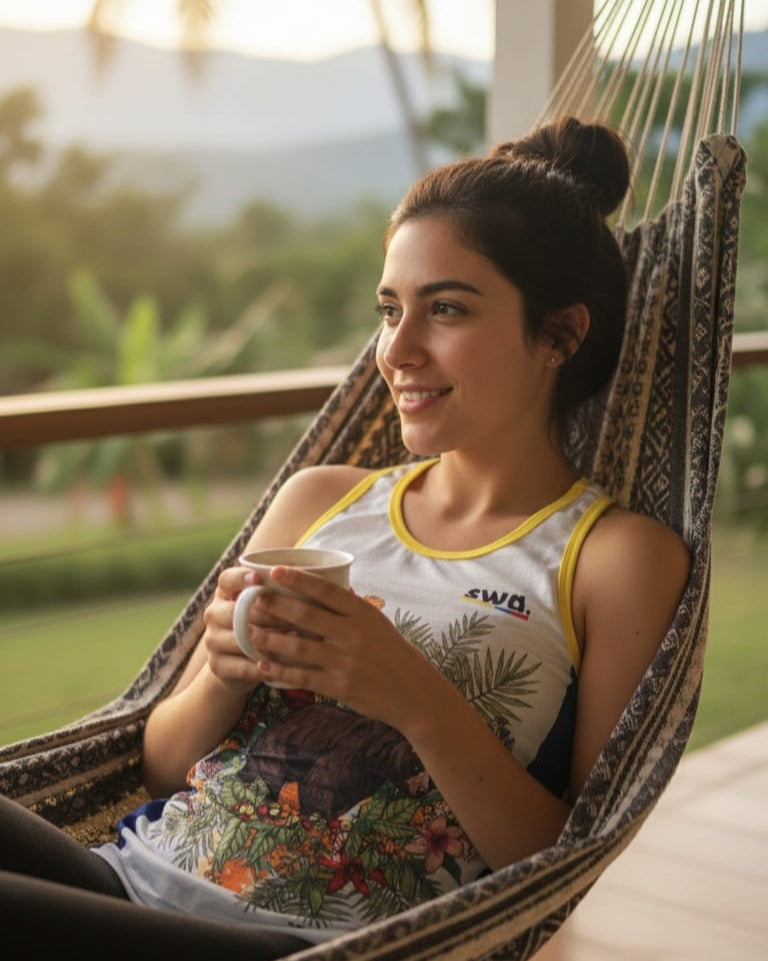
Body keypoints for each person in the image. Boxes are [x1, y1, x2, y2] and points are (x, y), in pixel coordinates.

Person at [0, 117, 690, 954]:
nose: (395, 351)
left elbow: (558, 862)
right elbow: (159, 766)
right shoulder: (319, 499)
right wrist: (221, 670)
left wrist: (411, 693)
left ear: (561, 334)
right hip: (128, 879)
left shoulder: (615, 559)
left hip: (317, 945)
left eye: (446, 309)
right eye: (390, 309)